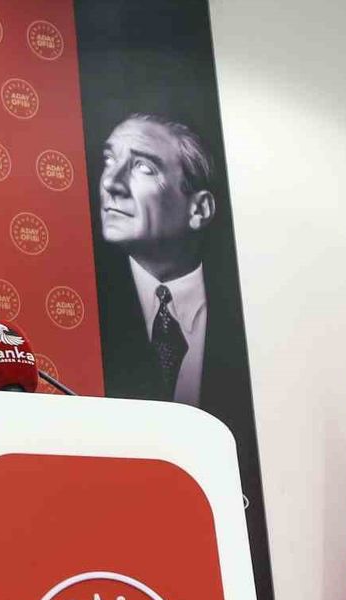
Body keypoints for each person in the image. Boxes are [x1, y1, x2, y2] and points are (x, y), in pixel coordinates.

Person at [96, 112, 235, 422]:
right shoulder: (88, 306)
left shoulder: (242, 313)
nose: (110, 183)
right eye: (109, 160)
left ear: (199, 209)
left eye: (143, 167)